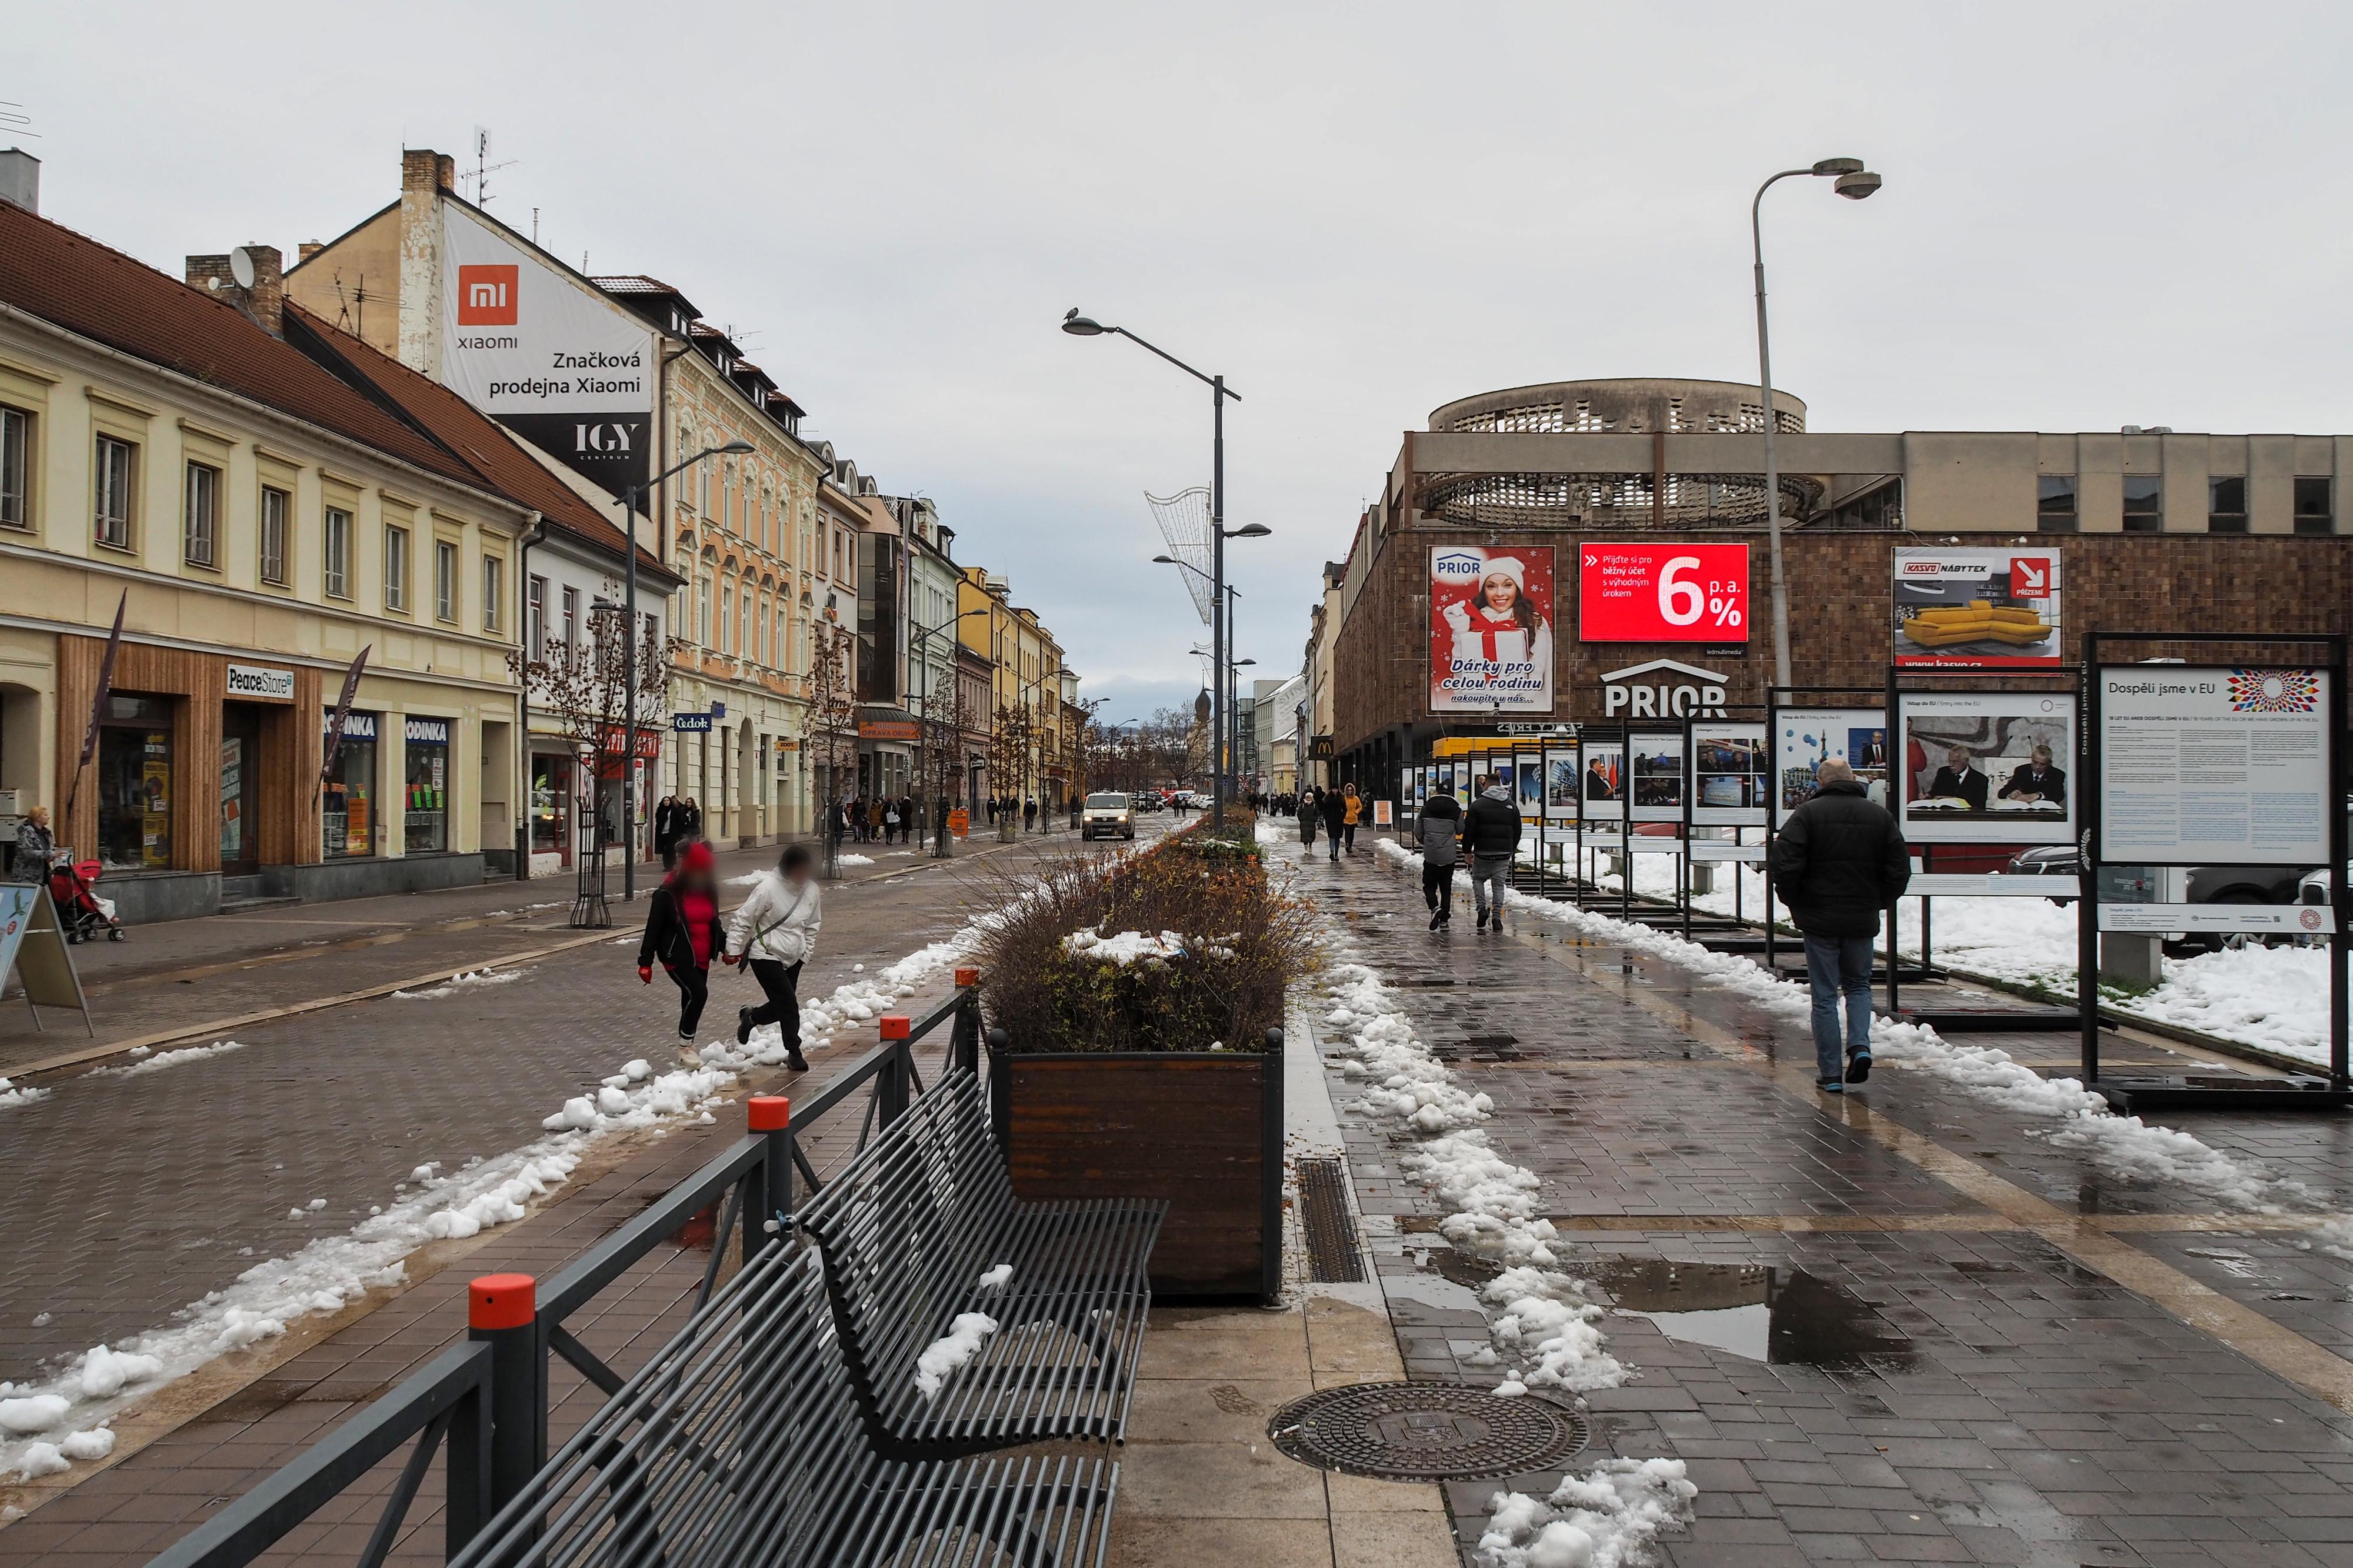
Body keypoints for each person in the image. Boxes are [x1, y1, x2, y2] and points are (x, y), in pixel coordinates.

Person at [1769, 756, 1911, 1093]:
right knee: (1859, 987)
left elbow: (1784, 864)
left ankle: (1831, 1073)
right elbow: (1899, 868)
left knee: (1824, 996)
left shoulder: (1806, 815)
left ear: (1821, 782)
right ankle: (1860, 1046)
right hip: (1861, 918)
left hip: (1819, 920)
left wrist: (1796, 901)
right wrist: (1878, 902)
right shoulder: (1880, 816)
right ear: (1853, 780)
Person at [728, 842, 821, 1072]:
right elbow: (743, 918)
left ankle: (751, 1018)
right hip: (765, 954)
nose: (803, 876)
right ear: (788, 869)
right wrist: (732, 948)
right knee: (789, 1004)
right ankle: (795, 1052)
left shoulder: (811, 890)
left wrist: (805, 953)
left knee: (782, 1005)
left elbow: (812, 924)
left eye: (806, 870)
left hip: (794, 957)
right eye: (799, 870)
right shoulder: (768, 889)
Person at [636, 840, 728, 1047]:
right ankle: (685, 1046)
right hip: (676, 956)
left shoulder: (710, 891)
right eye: (698, 871)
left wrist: (726, 948)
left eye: (706, 871)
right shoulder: (666, 894)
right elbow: (653, 928)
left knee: (690, 998)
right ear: (688, 869)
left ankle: (688, 1045)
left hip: (702, 956)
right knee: (699, 994)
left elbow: (715, 923)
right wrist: (645, 961)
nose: (702, 876)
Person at [1438, 555, 1554, 699]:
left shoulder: (1533, 621)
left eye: (1507, 585)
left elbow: (1540, 670)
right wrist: (1459, 635)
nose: (1500, 593)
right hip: (1479, 707)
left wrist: (1516, 703)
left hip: (1523, 707)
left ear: (1517, 588)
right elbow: (1461, 675)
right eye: (1492, 586)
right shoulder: (1473, 620)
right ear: (1484, 590)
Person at [1463, 772, 1522, 932]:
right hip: (1503, 853)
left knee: (1478, 880)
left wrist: (1467, 851)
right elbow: (1518, 830)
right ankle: (1497, 918)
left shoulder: (1477, 805)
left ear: (1485, 785)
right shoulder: (1511, 805)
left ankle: (1482, 909)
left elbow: (1469, 831)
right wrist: (1511, 848)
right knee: (1498, 886)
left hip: (1483, 852)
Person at [1418, 781, 1462, 929]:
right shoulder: (1456, 810)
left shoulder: (1425, 809)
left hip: (1431, 855)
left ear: (1436, 792)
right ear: (1450, 793)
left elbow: (1417, 831)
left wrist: (1427, 843)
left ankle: (1435, 908)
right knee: (1446, 888)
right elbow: (1461, 829)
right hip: (1448, 855)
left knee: (1429, 885)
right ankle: (1444, 920)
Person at [1999, 745, 2067, 809]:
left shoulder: (2057, 774)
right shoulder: (2022, 771)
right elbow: (2002, 793)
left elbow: (2059, 795)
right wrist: (2010, 794)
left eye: (2042, 764)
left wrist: (2039, 795)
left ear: (2050, 763)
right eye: (2035, 762)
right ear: (2032, 759)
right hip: (2023, 812)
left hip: (2045, 814)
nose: (2037, 767)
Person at [1927, 746, 1989, 810]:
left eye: (1955, 761)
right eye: (1950, 761)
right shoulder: (1943, 773)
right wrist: (1928, 795)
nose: (1951, 765)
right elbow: (1934, 792)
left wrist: (1952, 799)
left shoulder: (1980, 780)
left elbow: (1979, 805)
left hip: (1967, 817)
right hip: (1944, 815)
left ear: (1966, 761)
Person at [11, 804, 53, 883]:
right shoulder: (26, 833)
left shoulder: (47, 834)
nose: (48, 817)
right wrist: (50, 854)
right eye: (45, 815)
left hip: (43, 873)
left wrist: (50, 857)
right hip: (27, 876)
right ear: (38, 818)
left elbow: (47, 851)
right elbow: (28, 852)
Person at [1319, 784, 1347, 861]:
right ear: (1331, 790)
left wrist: (1342, 816)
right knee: (1331, 836)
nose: (1335, 791)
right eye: (1333, 789)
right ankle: (1332, 852)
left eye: (1336, 789)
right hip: (1330, 820)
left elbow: (1345, 809)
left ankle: (1336, 854)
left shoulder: (1341, 798)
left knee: (1337, 837)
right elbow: (1324, 809)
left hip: (1339, 820)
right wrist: (1326, 816)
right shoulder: (1327, 798)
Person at [653, 794, 682, 870]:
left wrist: (678, 834)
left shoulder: (674, 810)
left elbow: (679, 822)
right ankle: (666, 866)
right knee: (664, 851)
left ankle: (672, 865)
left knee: (671, 850)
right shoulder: (660, 810)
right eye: (665, 801)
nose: (666, 802)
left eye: (668, 801)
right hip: (663, 833)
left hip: (672, 833)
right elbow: (658, 822)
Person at [1341, 784, 1363, 854]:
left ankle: (1350, 845)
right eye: (1348, 790)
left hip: (1353, 819)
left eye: (1351, 790)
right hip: (1346, 819)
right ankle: (1347, 844)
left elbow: (1360, 807)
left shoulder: (1356, 798)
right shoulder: (1344, 798)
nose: (1350, 792)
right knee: (1347, 833)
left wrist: (1356, 812)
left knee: (1352, 833)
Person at [1297, 788, 1319, 853]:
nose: (1308, 799)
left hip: (1311, 823)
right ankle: (1306, 848)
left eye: (1310, 798)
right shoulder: (1303, 805)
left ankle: (1310, 845)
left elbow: (1317, 813)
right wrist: (1301, 819)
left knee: (1311, 836)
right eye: (1307, 798)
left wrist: (1315, 819)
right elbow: (1299, 813)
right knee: (1304, 836)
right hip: (1304, 823)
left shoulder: (1314, 805)